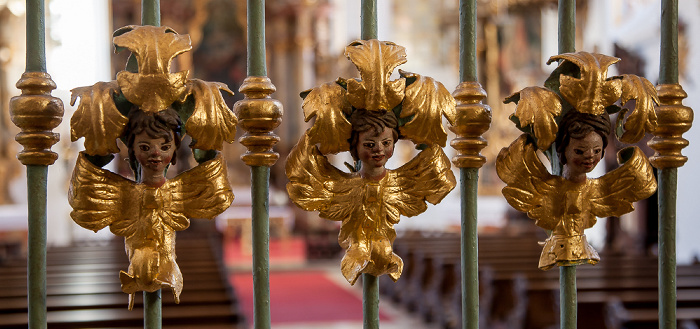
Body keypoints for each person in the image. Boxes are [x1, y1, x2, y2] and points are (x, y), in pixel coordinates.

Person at [69, 107, 233, 309]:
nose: (156, 153)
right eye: (145, 147)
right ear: (132, 150)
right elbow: (83, 189)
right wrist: (101, 148)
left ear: (173, 153)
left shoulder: (181, 191)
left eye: (165, 147)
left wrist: (204, 146)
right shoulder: (123, 195)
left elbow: (216, 186)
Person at [286, 108, 455, 285]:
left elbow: (439, 171)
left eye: (386, 143)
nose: (379, 150)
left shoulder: (404, 182)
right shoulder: (340, 186)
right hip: (355, 250)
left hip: (386, 247)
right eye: (369, 144)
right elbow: (303, 166)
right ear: (355, 148)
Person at [496, 110, 656, 270]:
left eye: (597, 151)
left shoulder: (599, 189)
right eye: (579, 151)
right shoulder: (548, 188)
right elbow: (514, 165)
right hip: (555, 250)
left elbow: (643, 181)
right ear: (563, 150)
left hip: (583, 249)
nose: (589, 157)